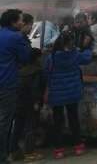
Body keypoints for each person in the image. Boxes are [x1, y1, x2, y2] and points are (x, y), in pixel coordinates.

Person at [44, 31, 92, 159]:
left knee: (58, 121)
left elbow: (47, 74)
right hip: (72, 92)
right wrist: (87, 48)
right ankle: (78, 147)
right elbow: (87, 58)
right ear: (71, 42)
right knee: (73, 119)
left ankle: (59, 150)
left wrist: (47, 90)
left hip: (57, 93)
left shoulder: (52, 57)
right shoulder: (75, 54)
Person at [10, 14, 44, 162]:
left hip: (16, 90)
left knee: (18, 121)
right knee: (29, 121)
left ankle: (13, 150)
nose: (30, 28)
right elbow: (26, 59)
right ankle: (29, 151)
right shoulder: (19, 40)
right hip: (27, 93)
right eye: (30, 24)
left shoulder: (17, 39)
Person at [0, 9, 31, 164]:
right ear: (13, 22)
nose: (22, 23)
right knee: (4, 122)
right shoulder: (16, 37)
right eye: (20, 20)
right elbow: (25, 58)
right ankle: (2, 157)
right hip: (7, 84)